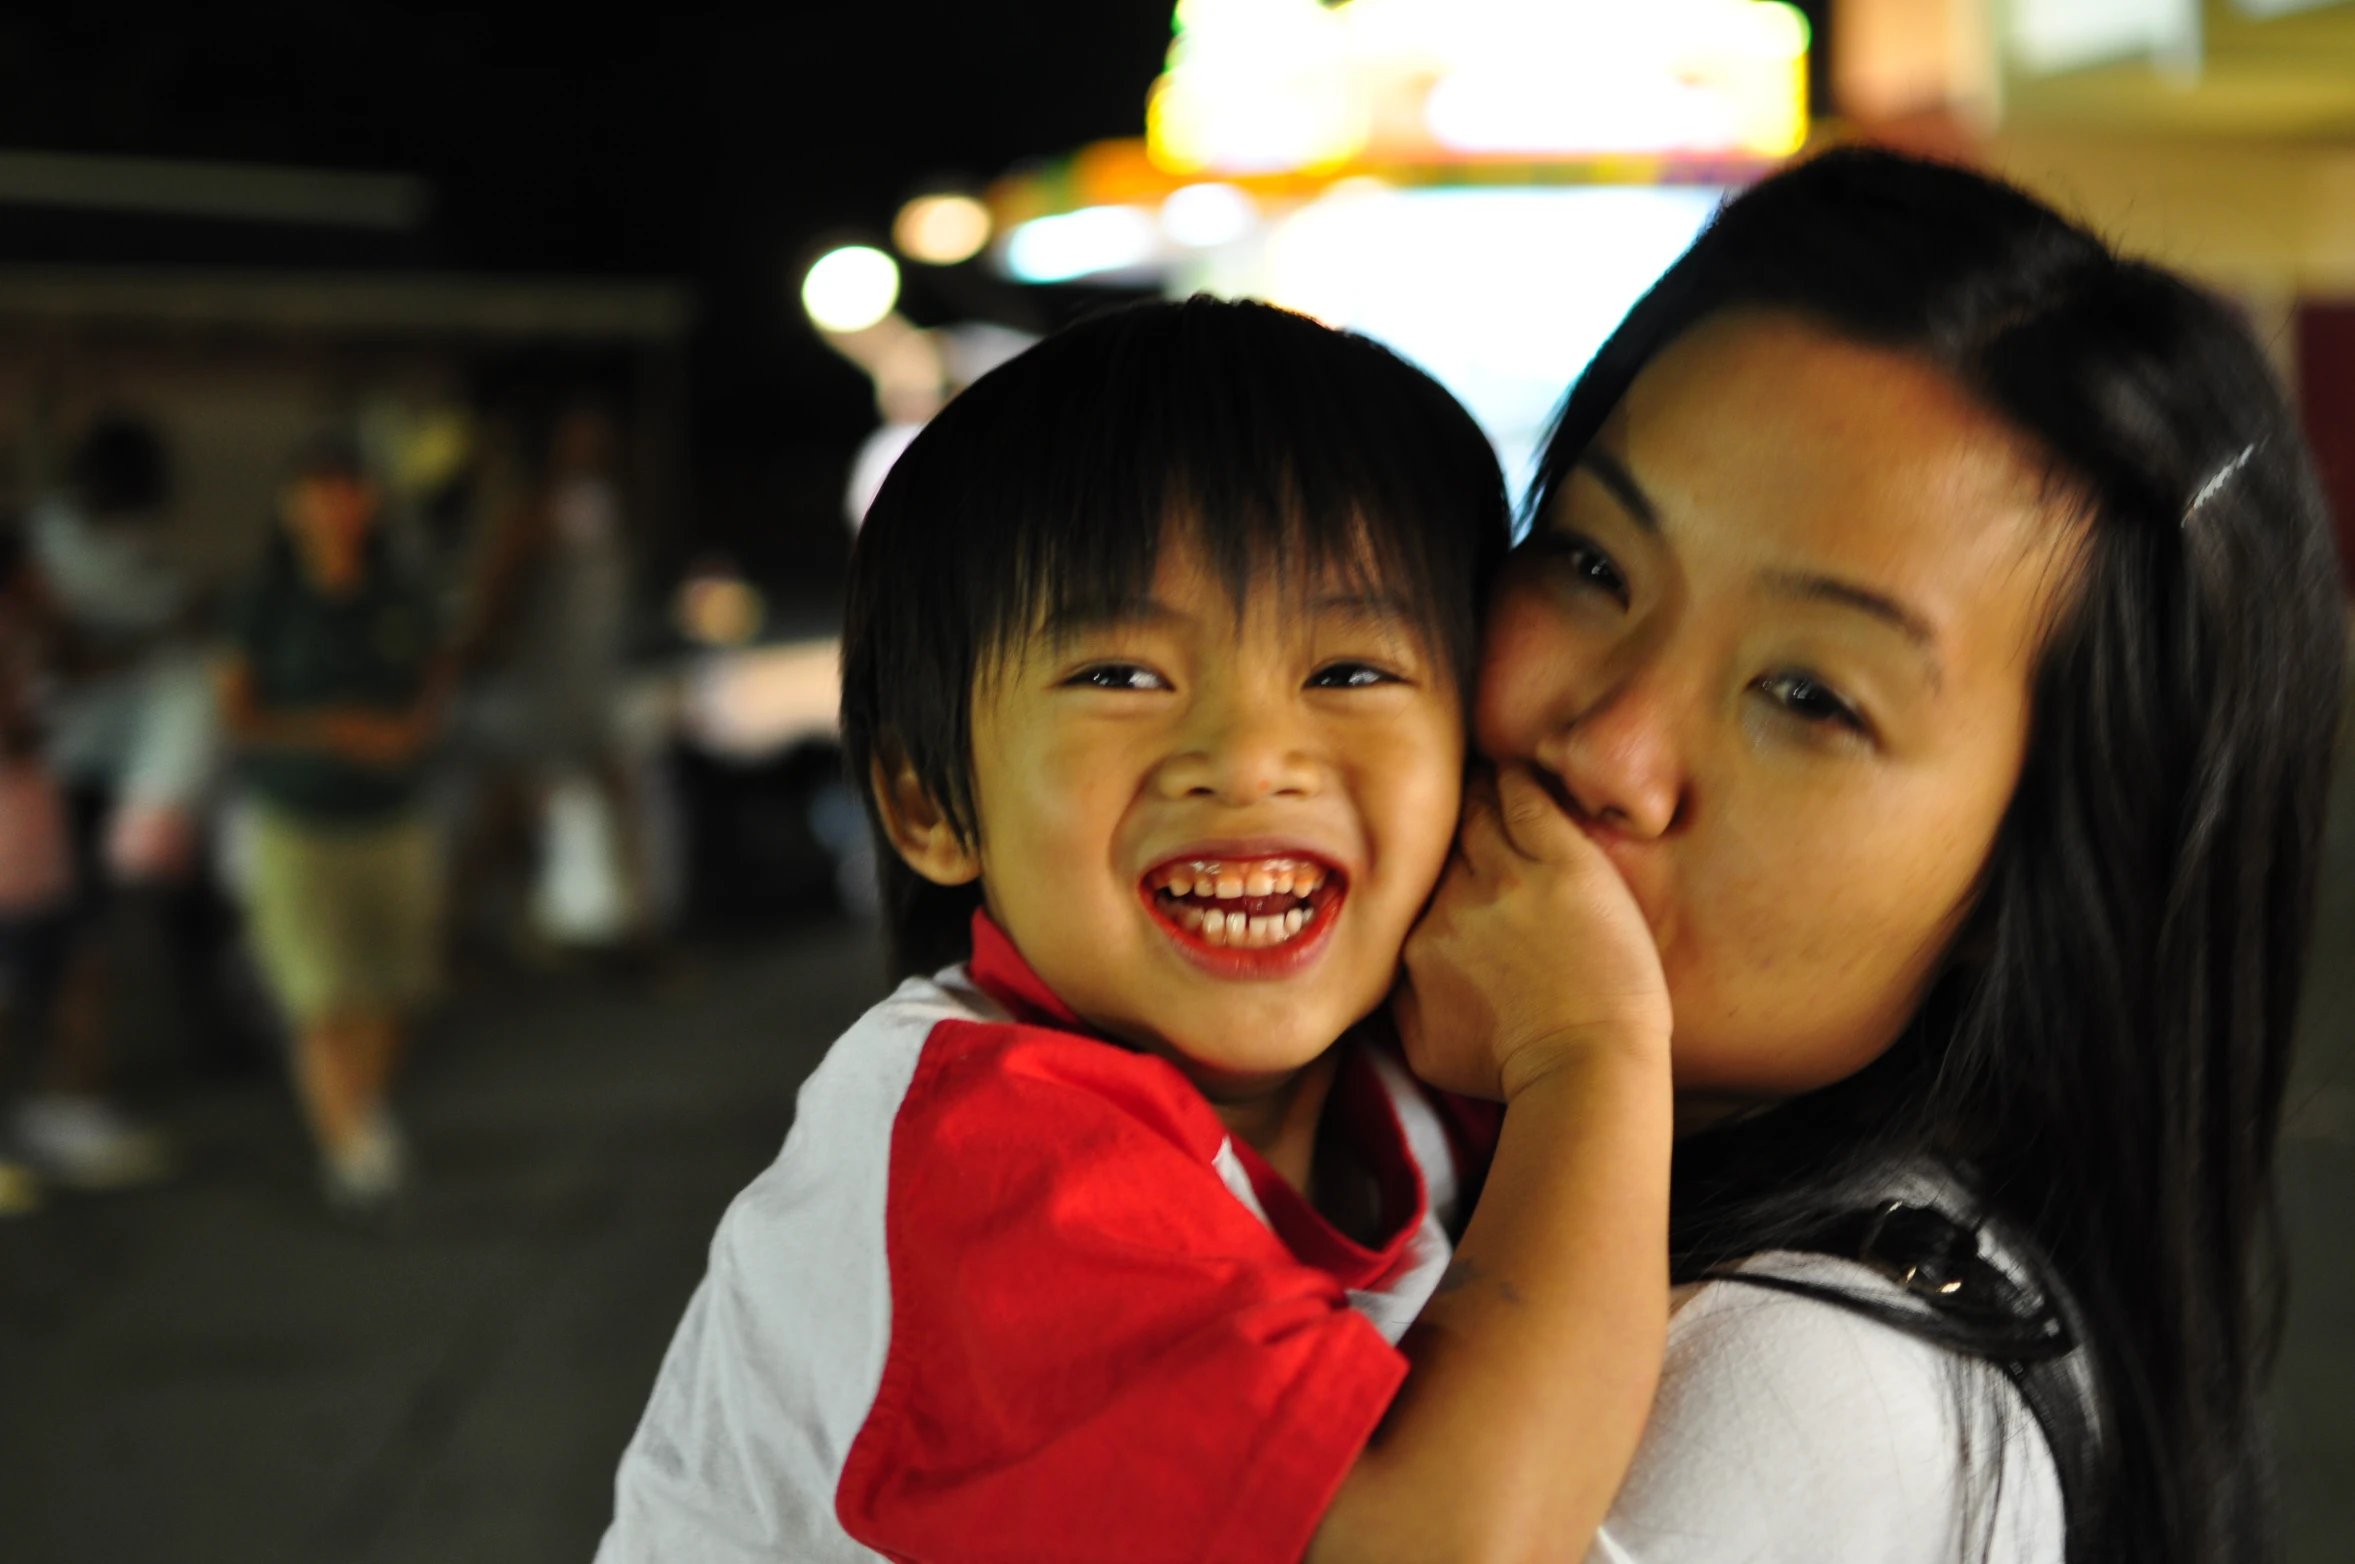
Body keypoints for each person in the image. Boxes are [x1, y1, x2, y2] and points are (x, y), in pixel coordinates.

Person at [600, 299, 1676, 1563]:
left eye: (1350, 672)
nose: (1250, 758)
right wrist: (1593, 1049)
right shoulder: (980, 1149)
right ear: (926, 800)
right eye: (1120, 675)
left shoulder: (1406, 1099)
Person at [1399, 148, 2343, 1563]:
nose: (1605, 748)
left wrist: (1576, 1048)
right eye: (1590, 563)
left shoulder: (1806, 1385)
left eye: (1809, 698)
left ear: (2021, 879)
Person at [217, 436, 453, 1210]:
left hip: (390, 818)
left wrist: (399, 736)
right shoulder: (264, 600)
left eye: (345, 489)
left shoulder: (401, 596)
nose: (331, 507)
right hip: (297, 819)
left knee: (392, 986)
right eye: (315, 490)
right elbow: (237, 713)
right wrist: (330, 730)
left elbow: (432, 690)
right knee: (319, 994)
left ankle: (360, 1114)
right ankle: (350, 1144)